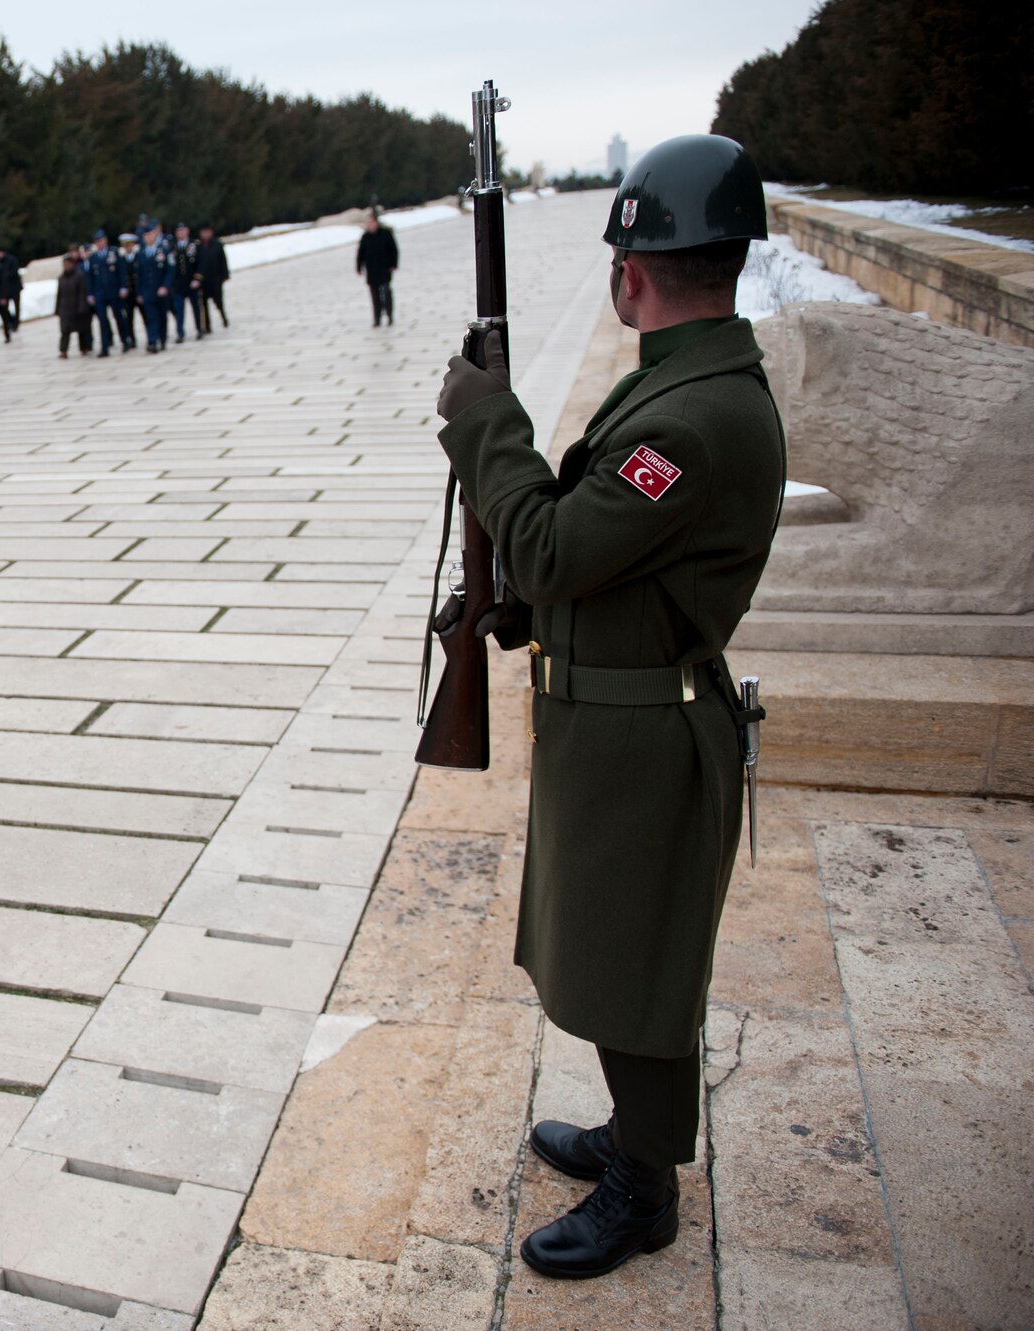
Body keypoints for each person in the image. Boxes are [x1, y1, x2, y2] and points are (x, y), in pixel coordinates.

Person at [430, 133, 783, 1280]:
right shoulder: (686, 379)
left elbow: (547, 537)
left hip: (643, 739)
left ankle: (643, 1188)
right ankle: (633, 1137)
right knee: (609, 954)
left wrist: (487, 421)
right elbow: (606, 561)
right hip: (612, 723)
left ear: (630, 273)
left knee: (637, 975)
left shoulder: (686, 419)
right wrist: (528, 611)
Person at [135, 219, 177, 353]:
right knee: (150, 317)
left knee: (162, 317)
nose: (148, 237)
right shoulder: (141, 254)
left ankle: (162, 339)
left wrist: (165, 286)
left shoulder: (164, 250)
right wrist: (139, 293)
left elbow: (170, 271)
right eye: (146, 235)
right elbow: (139, 275)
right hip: (148, 291)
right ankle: (152, 341)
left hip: (161, 290)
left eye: (150, 234)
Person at [356, 210, 400, 326]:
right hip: (372, 270)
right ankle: (377, 318)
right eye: (368, 223)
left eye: (371, 222)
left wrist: (394, 264)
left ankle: (390, 315)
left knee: (386, 292)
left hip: (384, 269)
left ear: (376, 222)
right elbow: (361, 253)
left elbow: (394, 250)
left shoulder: (386, 234)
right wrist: (359, 267)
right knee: (375, 296)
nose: (369, 225)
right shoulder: (365, 237)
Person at [86, 231, 123, 358]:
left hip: (113, 291)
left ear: (105, 240)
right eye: (97, 241)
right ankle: (105, 346)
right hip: (100, 293)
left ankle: (125, 341)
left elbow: (121, 271)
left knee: (118, 317)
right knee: (102, 321)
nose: (99, 243)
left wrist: (123, 287)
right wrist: (90, 294)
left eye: (101, 240)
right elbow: (90, 278)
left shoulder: (113, 252)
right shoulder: (94, 257)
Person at [55, 253, 93, 358]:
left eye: (67, 264)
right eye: (64, 264)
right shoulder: (61, 278)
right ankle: (63, 350)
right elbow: (59, 294)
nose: (66, 266)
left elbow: (82, 292)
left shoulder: (79, 276)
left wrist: (82, 307)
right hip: (65, 308)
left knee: (81, 329)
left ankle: (84, 348)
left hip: (76, 307)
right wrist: (57, 309)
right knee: (64, 330)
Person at [195, 223, 230, 331]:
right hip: (203, 280)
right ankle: (207, 325)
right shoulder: (198, 246)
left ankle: (223, 317)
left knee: (218, 301)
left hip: (216, 278)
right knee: (203, 304)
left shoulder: (217, 244)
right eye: (203, 232)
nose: (205, 234)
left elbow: (223, 261)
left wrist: (225, 275)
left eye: (207, 232)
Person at [172, 223, 201, 341]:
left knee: (196, 308)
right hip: (179, 284)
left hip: (191, 282)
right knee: (179, 310)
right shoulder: (173, 246)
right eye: (178, 231)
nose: (181, 233)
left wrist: (197, 279)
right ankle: (180, 333)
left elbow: (199, 263)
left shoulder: (194, 244)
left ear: (187, 231)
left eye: (183, 230)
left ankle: (199, 329)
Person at [115, 233, 141, 352]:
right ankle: (131, 339)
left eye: (130, 245)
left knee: (146, 316)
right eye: (126, 245)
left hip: (138, 292)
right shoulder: (121, 259)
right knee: (128, 318)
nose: (128, 247)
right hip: (128, 294)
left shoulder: (139, 257)